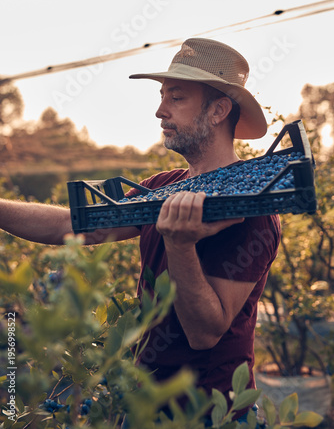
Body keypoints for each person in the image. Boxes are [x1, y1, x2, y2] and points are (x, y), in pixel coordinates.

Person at [0, 38, 281, 426]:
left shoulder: (254, 208)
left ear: (218, 110)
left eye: (176, 98)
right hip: (141, 403)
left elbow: (205, 333)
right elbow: (75, 226)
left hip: (210, 413)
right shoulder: (163, 185)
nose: (159, 110)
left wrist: (180, 244)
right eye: (162, 95)